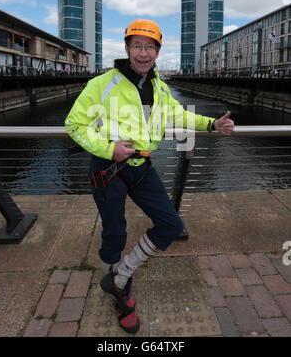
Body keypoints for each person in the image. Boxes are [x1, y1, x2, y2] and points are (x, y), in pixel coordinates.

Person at [65, 19, 234, 334]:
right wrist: (108, 148)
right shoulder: (102, 84)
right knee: (114, 232)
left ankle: (119, 278)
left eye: (150, 46)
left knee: (170, 224)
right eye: (137, 46)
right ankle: (119, 291)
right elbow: (75, 125)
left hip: (142, 167)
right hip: (109, 169)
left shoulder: (159, 87)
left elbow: (178, 115)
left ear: (157, 51)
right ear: (127, 48)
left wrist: (213, 125)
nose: (143, 53)